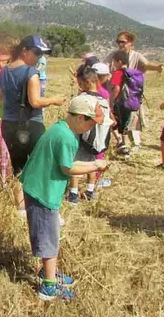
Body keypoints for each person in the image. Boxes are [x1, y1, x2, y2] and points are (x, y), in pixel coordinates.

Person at [20, 94, 109, 302]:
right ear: (80, 118)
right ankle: (49, 287)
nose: (91, 128)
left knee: (49, 233)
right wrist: (95, 165)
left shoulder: (62, 128)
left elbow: (66, 162)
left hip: (39, 186)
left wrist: (94, 164)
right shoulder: (67, 138)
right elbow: (68, 168)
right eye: (91, 124)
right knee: (49, 239)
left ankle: (48, 271)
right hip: (44, 192)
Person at [0, 35, 66, 212]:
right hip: (31, 125)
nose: (39, 57)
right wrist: (54, 100)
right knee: (42, 165)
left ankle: (20, 208)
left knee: (18, 166)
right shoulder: (31, 73)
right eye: (37, 52)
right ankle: (43, 207)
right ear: (24, 51)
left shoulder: (5, 71)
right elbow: (35, 101)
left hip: (9, 125)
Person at [105, 31, 164, 151]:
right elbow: (104, 65)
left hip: (130, 95)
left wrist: (157, 67)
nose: (120, 44)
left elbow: (146, 64)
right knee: (123, 119)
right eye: (118, 42)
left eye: (123, 42)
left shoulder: (136, 56)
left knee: (131, 119)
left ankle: (133, 144)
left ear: (130, 42)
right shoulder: (113, 54)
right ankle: (123, 143)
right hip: (119, 94)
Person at [66, 67, 114, 204]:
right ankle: (90, 190)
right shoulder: (103, 100)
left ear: (87, 82)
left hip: (82, 137)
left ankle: (73, 194)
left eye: (80, 83)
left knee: (75, 161)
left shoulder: (83, 99)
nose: (79, 86)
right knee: (92, 163)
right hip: (97, 140)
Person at [109, 50, 133, 155]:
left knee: (113, 122)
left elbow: (117, 88)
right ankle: (124, 146)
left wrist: (111, 100)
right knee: (124, 126)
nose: (113, 64)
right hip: (130, 102)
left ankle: (123, 147)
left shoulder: (118, 73)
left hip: (120, 102)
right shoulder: (131, 72)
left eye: (114, 62)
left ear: (119, 62)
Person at [0, 99, 11, 188]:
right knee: (4, 154)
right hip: (3, 121)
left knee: (4, 154)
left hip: (6, 121)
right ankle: (3, 183)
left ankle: (5, 180)